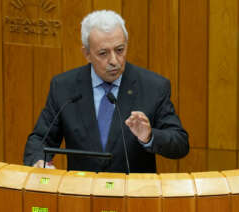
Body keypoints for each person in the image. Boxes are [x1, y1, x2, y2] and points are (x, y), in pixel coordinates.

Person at [23, 10, 189, 173]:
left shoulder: (153, 87)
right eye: (103, 53)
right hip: (81, 194)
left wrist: (150, 136)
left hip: (134, 195)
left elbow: (180, 143)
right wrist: (39, 162)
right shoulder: (65, 87)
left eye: (119, 50)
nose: (114, 61)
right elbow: (40, 140)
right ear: (87, 53)